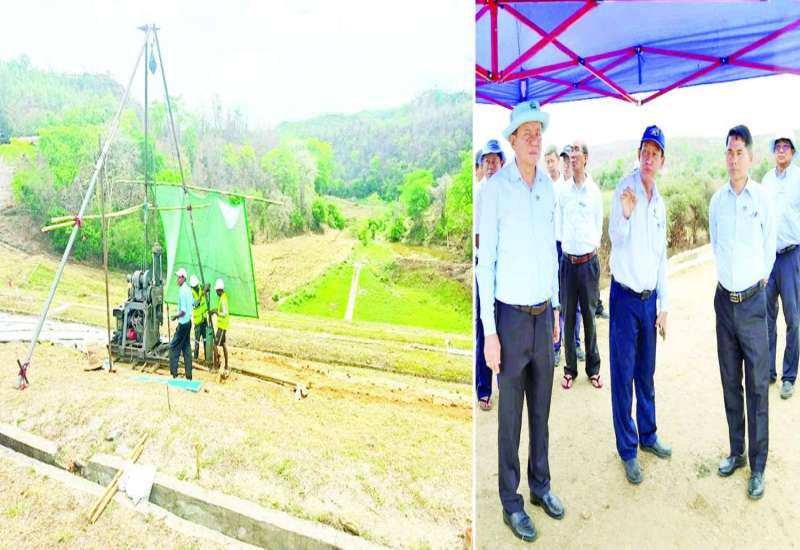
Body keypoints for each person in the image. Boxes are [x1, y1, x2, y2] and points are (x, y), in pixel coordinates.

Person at [477, 100, 563, 543]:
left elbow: (550, 251)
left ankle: (540, 486)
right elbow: (485, 263)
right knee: (510, 417)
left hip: (542, 315)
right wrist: (490, 332)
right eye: (526, 133)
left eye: (538, 133)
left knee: (541, 411)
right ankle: (510, 502)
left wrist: (556, 308)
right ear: (512, 141)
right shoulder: (494, 190)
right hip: (509, 319)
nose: (534, 139)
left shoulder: (547, 187)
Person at [710, 124, 775, 500]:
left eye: (739, 152)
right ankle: (736, 452)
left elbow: (769, 248)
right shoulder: (717, 201)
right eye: (729, 153)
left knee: (757, 386)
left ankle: (758, 465)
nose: (733, 159)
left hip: (752, 303)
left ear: (750, 156)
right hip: (724, 303)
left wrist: (758, 281)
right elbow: (716, 244)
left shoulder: (761, 199)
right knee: (730, 381)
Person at [608, 125, 671, 485]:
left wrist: (664, 305)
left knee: (646, 372)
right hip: (625, 299)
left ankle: (648, 435)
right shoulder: (625, 189)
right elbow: (615, 239)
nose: (649, 158)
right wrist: (627, 214)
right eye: (645, 152)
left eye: (655, 153)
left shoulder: (659, 203)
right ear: (638, 155)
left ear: (662, 160)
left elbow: (661, 257)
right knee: (624, 376)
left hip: (649, 302)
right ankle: (628, 450)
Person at [559, 140, 603, 390]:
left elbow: (598, 226)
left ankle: (593, 369)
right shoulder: (563, 192)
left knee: (589, 317)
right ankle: (570, 369)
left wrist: (589, 248)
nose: (573, 155)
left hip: (588, 264)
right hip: (567, 263)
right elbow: (559, 225)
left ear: (585, 158)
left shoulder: (594, 192)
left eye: (577, 151)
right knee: (567, 318)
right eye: (571, 152)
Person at [761, 129, 800, 399]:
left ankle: (789, 376)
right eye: (778, 146)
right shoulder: (766, 180)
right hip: (769, 258)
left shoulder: (798, 178)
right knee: (766, 317)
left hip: (791, 256)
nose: (781, 150)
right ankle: (768, 372)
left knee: (793, 318)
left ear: (793, 152)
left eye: (786, 146)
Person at [475, 139, 505, 411]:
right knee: (484, 327)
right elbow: (478, 238)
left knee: (503, 327)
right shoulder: (479, 192)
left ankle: (505, 385)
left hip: (503, 268)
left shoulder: (507, 191)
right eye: (487, 161)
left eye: (495, 161)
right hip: (485, 267)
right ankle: (484, 389)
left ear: (502, 163)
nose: (491, 166)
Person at [169, 267, 193, 380]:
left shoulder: (182, 291)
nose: (177, 280)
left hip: (183, 324)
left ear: (183, 278)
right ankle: (189, 375)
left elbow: (183, 311)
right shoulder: (188, 290)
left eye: (179, 277)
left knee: (173, 347)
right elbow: (192, 304)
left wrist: (175, 316)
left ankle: (174, 373)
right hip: (188, 323)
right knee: (186, 348)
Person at [212, 278, 230, 376]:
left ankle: (215, 367)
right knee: (223, 344)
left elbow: (224, 313)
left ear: (219, 290)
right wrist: (215, 310)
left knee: (215, 345)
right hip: (222, 325)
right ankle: (226, 366)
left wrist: (217, 313)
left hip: (222, 326)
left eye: (216, 291)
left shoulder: (223, 299)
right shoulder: (223, 297)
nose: (216, 292)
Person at [190, 275, 209, 361]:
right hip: (198, 321)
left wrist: (206, 287)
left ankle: (207, 357)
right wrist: (201, 295)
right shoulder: (191, 293)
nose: (196, 287)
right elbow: (195, 303)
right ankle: (196, 358)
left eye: (197, 286)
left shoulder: (201, 287)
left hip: (204, 319)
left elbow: (208, 285)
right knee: (197, 341)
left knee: (206, 340)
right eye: (194, 287)